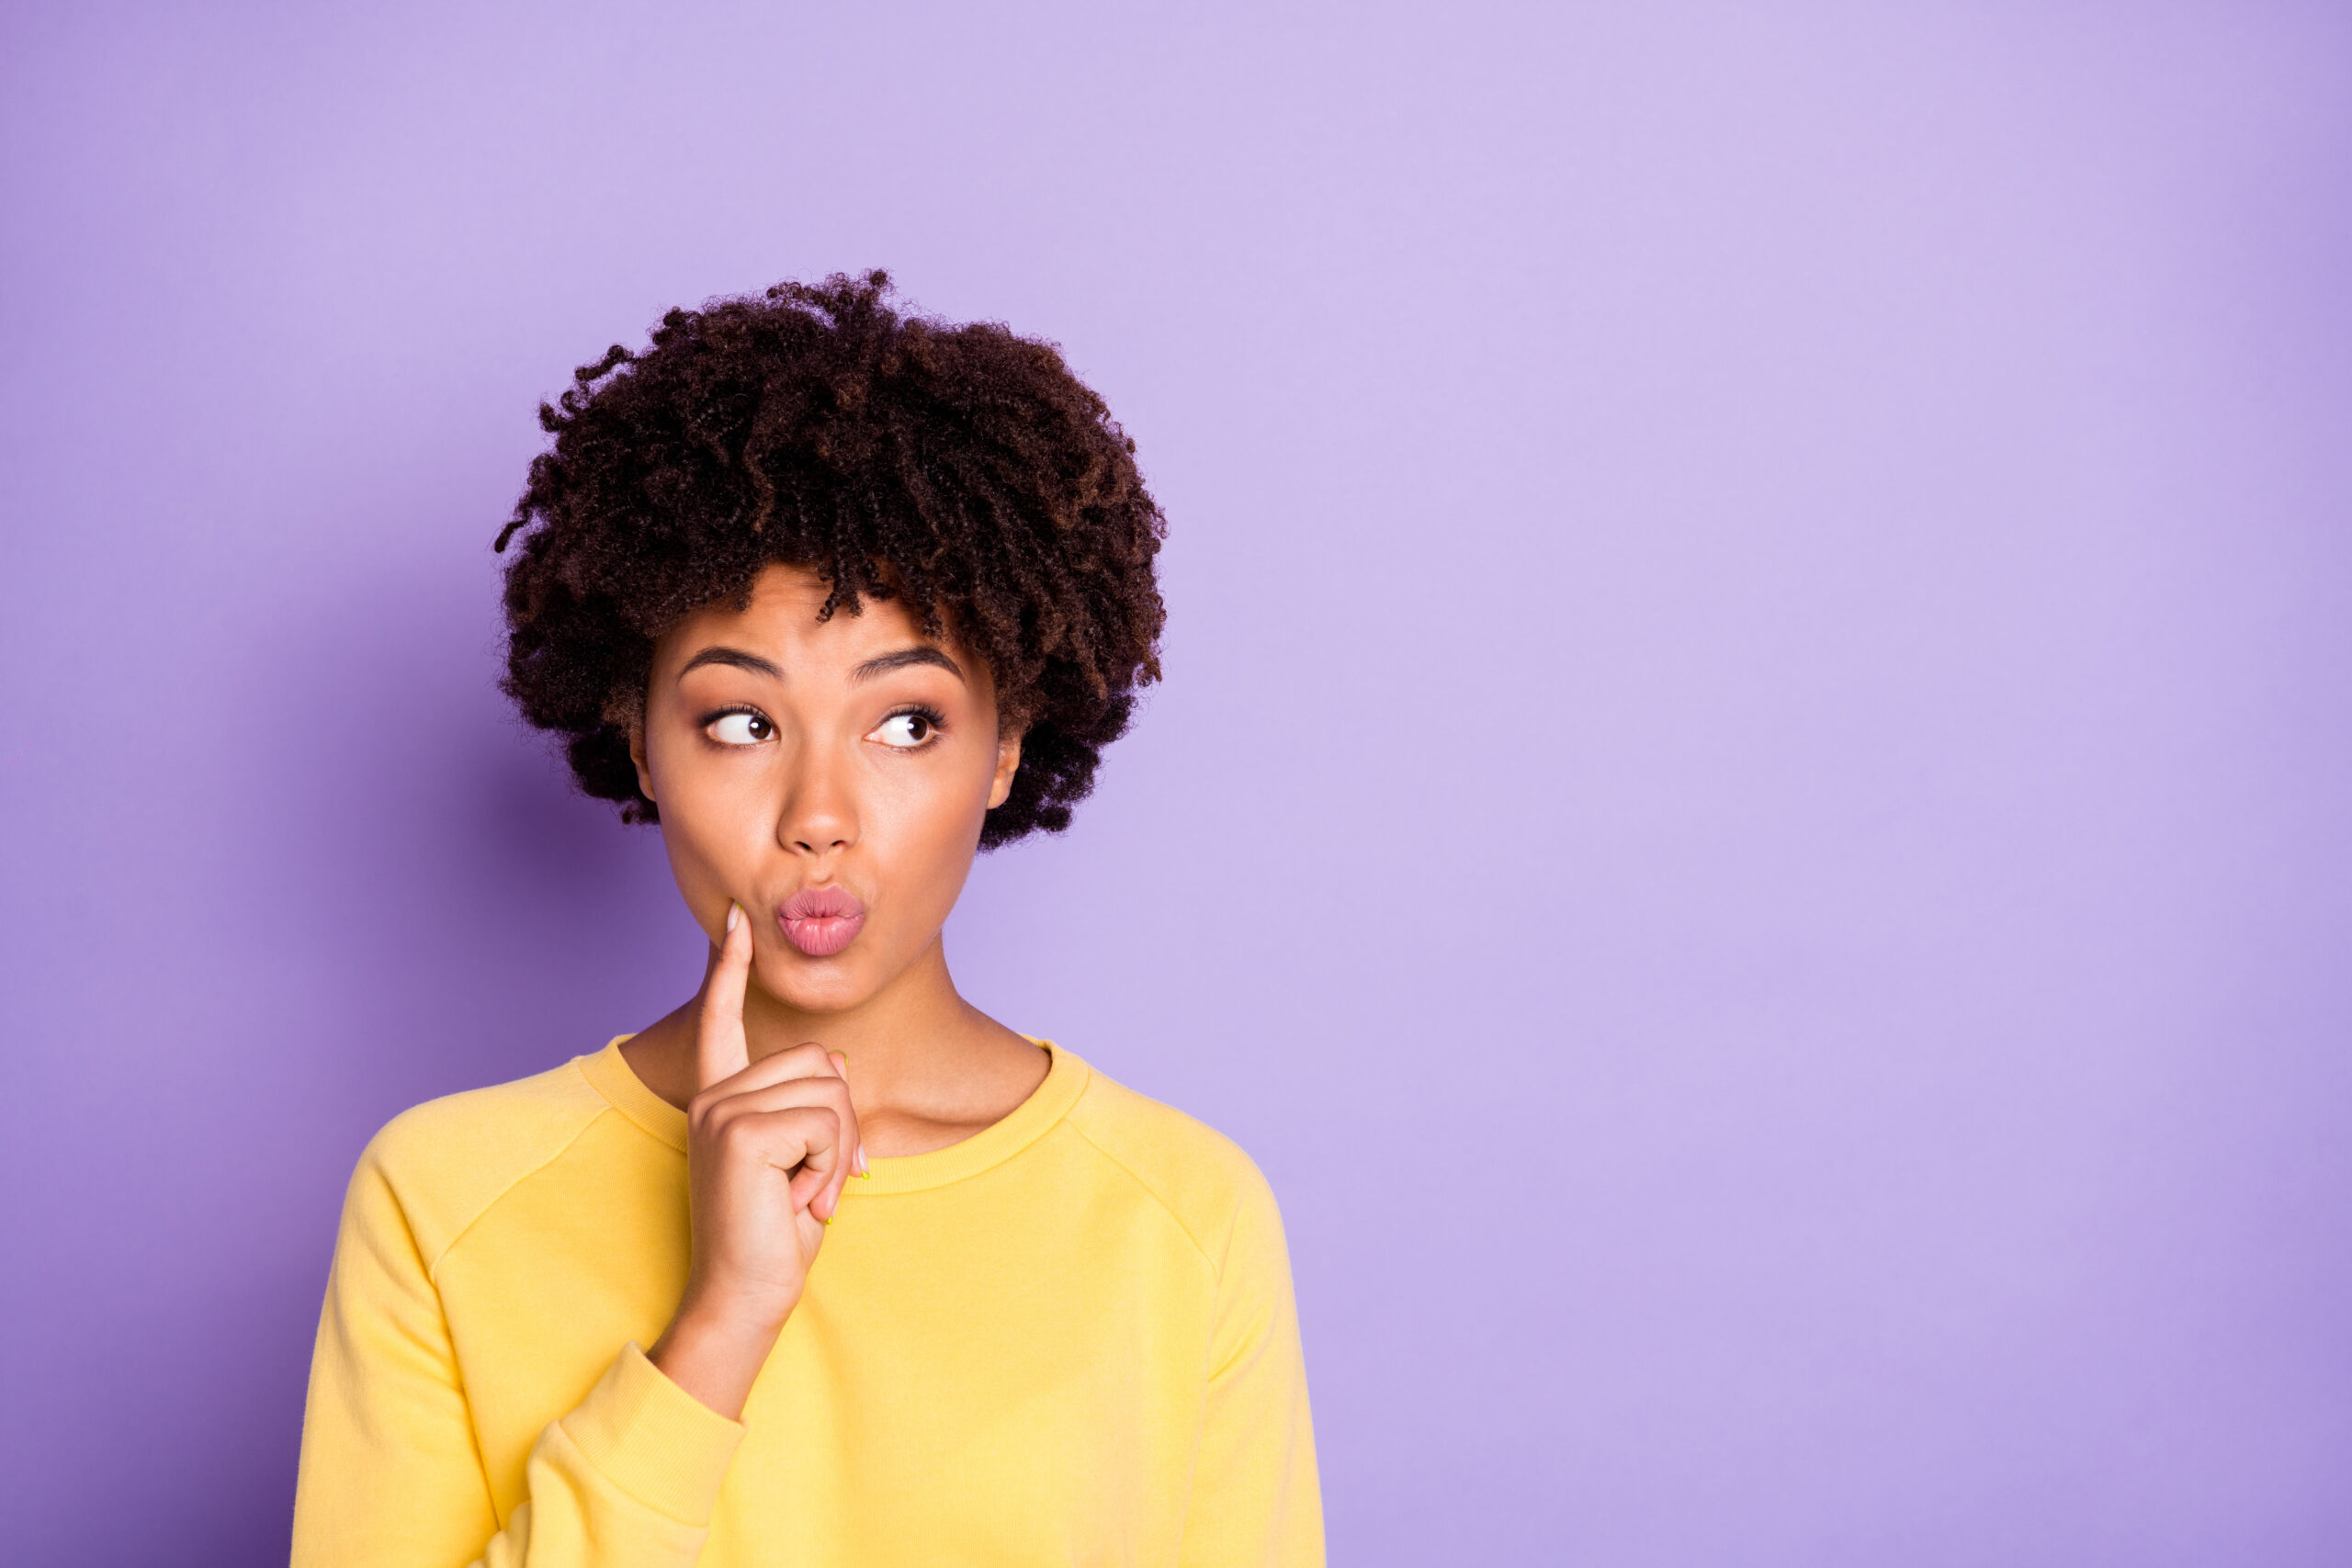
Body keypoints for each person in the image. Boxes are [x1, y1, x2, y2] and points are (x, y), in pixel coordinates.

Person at [288, 273, 1324, 1566]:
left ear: (1005, 748)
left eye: (907, 725)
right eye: (742, 723)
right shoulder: (442, 1205)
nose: (818, 815)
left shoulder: (1181, 1220)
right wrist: (720, 1322)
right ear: (641, 742)